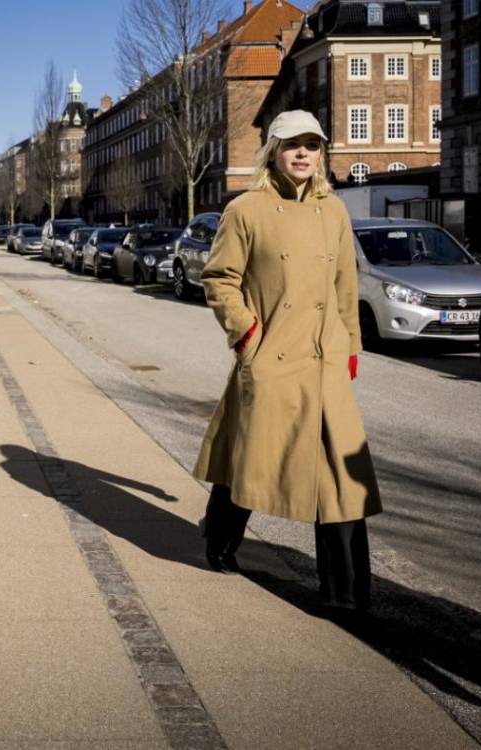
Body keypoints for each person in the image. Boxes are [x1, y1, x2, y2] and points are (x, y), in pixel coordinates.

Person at [192, 110, 383, 612]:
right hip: (272, 355)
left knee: (343, 479)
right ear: (272, 151)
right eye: (291, 144)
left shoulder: (335, 211)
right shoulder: (246, 209)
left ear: (322, 153)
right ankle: (220, 541)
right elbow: (219, 279)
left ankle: (347, 596)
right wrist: (247, 335)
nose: (302, 153)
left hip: (325, 358)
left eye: (312, 145)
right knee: (250, 460)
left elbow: (346, 284)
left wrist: (349, 347)